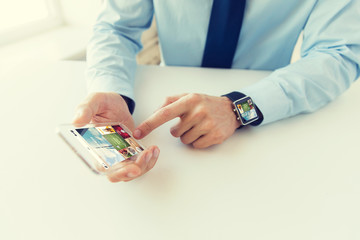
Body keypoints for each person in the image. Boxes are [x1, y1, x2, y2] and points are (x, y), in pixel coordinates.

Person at [73, 0, 360, 182]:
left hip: (267, 126)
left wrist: (237, 109)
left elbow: (338, 54)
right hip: (165, 110)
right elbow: (117, 27)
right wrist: (112, 89)